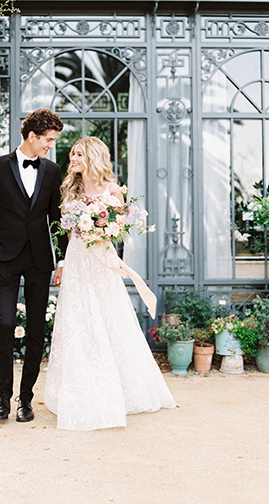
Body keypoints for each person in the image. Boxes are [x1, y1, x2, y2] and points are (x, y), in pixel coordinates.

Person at [44, 136, 176, 431]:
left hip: (102, 260)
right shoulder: (69, 189)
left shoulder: (112, 190)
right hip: (78, 259)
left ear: (92, 156)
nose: (72, 159)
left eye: (78, 154)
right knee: (78, 319)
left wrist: (103, 228)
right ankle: (80, 385)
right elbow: (65, 233)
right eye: (73, 154)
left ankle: (122, 387)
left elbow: (118, 229)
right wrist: (63, 264)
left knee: (109, 318)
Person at [0, 108, 67, 423]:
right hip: (5, 257)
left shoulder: (52, 171)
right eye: (49, 140)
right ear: (32, 136)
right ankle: (3, 399)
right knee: (4, 324)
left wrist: (63, 259)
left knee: (36, 329)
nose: (51, 146)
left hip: (40, 260)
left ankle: (25, 400)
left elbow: (57, 219)